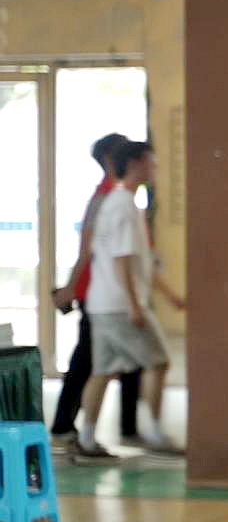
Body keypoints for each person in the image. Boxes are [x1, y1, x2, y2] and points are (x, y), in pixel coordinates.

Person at [77, 141, 186, 460]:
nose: (155, 168)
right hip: (119, 306)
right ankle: (153, 433)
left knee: (102, 370)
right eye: (152, 161)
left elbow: (141, 262)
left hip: (103, 304)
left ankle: (86, 438)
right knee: (158, 361)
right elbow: (121, 259)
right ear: (136, 163)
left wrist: (169, 296)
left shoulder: (121, 203)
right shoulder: (123, 206)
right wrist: (134, 305)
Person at [50, 132, 143, 452]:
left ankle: (128, 427)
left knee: (128, 360)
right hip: (98, 293)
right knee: (87, 362)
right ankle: (64, 425)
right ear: (109, 159)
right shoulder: (105, 197)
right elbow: (86, 250)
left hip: (110, 293)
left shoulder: (120, 196)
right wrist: (71, 287)